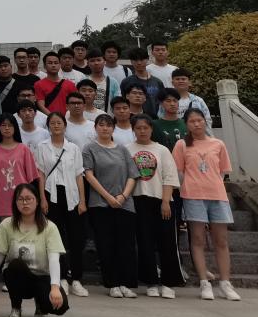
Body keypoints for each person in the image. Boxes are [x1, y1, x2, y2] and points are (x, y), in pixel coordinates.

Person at [0, 182, 68, 317]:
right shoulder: (6, 225)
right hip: (18, 277)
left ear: (37, 201)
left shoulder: (50, 227)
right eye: (21, 199)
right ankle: (16, 309)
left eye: (29, 198)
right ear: (15, 203)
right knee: (15, 265)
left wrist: (55, 287)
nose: (25, 202)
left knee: (60, 307)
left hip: (42, 277)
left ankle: (41, 305)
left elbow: (54, 259)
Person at [172, 108, 241, 300]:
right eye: (192, 121)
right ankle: (204, 282)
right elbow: (178, 172)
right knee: (197, 239)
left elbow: (223, 171)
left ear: (205, 121)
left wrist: (211, 183)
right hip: (193, 196)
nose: (196, 124)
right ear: (186, 125)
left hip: (217, 195)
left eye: (199, 120)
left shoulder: (218, 144)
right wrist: (192, 184)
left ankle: (225, 283)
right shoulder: (182, 144)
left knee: (221, 240)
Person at [83, 113, 139, 298]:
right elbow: (89, 175)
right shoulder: (90, 149)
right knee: (106, 244)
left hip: (125, 203)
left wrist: (123, 196)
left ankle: (126, 283)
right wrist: (109, 198)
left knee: (126, 245)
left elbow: (132, 175)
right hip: (100, 204)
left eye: (108, 125)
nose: (105, 128)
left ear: (113, 128)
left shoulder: (122, 149)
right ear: (95, 128)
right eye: (101, 125)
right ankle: (113, 283)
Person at [128, 113, 184, 297]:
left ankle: (169, 283)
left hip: (162, 199)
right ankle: (150, 281)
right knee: (145, 242)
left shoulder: (162, 150)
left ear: (151, 129)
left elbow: (169, 176)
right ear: (133, 130)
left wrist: (166, 201)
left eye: (145, 127)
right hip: (138, 200)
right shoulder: (127, 149)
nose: (142, 131)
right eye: (138, 128)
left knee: (167, 242)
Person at [35, 112, 88, 297]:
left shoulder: (73, 148)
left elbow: (79, 175)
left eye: (59, 123)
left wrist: (82, 201)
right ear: (48, 126)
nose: (56, 126)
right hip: (51, 195)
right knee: (56, 238)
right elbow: (41, 174)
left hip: (72, 195)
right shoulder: (42, 147)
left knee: (76, 238)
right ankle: (62, 278)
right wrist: (42, 199)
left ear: (65, 126)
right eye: (53, 123)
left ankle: (77, 280)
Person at [0, 115, 38, 223]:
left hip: (23, 197)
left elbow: (32, 178)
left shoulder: (24, 149)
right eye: (3, 125)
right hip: (3, 198)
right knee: (6, 229)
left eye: (10, 125)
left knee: (25, 229)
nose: (7, 128)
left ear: (15, 127)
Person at [121, 48, 165, 117]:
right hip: (132, 119)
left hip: (154, 119)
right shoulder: (126, 82)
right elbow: (124, 102)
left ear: (147, 59)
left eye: (141, 60)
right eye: (135, 60)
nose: (139, 63)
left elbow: (162, 102)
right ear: (131, 61)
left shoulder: (157, 82)